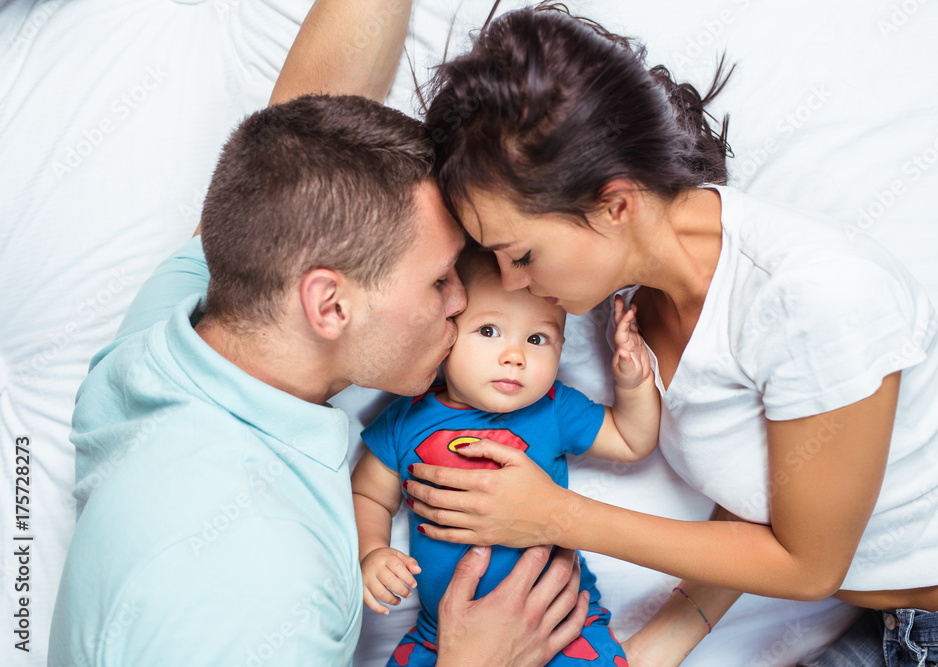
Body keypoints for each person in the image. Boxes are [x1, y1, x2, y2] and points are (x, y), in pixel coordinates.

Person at [398, 4, 938, 665]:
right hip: (869, 624)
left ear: (616, 204)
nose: (510, 282)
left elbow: (808, 566)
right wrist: (659, 644)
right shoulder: (630, 294)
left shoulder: (815, 297)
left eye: (521, 253)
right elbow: (769, 493)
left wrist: (553, 515)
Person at [46, 2, 592, 664]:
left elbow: (302, 144)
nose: (462, 300)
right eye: (441, 279)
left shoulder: (178, 330)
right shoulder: (264, 581)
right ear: (329, 305)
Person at [352, 249, 659, 665]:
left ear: (561, 349)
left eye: (537, 339)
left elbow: (630, 440)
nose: (514, 356)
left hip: (559, 621)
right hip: (441, 636)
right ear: (447, 333)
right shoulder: (407, 416)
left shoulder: (553, 409)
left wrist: (633, 384)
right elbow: (370, 496)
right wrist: (373, 552)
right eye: (489, 330)